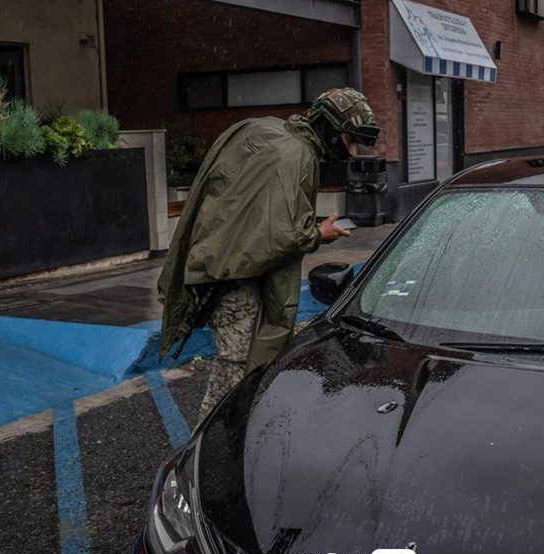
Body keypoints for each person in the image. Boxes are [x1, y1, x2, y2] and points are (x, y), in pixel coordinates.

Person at [157, 88, 379, 422]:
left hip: (214, 265)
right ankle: (208, 443)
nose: (352, 151)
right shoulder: (298, 156)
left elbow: (251, 210)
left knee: (238, 370)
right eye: (349, 140)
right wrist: (318, 233)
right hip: (235, 281)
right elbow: (280, 237)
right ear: (329, 128)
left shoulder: (267, 129)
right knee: (237, 374)